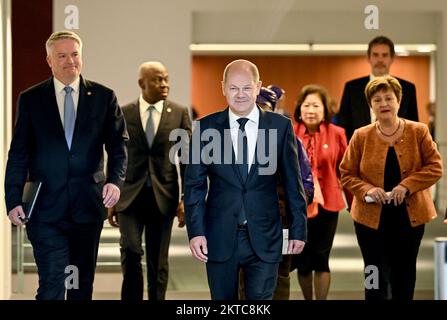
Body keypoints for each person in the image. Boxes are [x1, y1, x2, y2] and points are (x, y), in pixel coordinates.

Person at [4, 30, 128, 300]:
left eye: (74, 54)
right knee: (51, 284)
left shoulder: (104, 97)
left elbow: (119, 147)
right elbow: (19, 153)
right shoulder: (31, 99)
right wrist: (13, 199)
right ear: (49, 60)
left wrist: (115, 182)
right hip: (46, 209)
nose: (70, 61)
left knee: (81, 287)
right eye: (62, 55)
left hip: (88, 206)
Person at [184, 59, 307, 300]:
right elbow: (194, 186)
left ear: (258, 87)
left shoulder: (280, 127)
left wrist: (298, 229)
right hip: (219, 236)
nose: (240, 94)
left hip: (265, 235)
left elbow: (294, 183)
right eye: (233, 88)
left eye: (247, 88)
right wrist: (196, 231)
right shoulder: (205, 128)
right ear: (223, 88)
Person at [339, 76, 443, 300]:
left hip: (409, 216)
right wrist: (367, 189)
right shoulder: (361, 135)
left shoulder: (419, 131)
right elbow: (346, 174)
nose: (383, 104)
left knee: (404, 274)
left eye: (388, 98)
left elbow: (435, 168)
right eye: (377, 100)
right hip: (369, 220)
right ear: (371, 105)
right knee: (373, 272)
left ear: (398, 101)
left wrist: (406, 186)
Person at [108, 61, 192, 300]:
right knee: (132, 251)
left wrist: (186, 199)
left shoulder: (178, 113)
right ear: (141, 83)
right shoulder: (123, 113)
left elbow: (186, 161)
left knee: (158, 260)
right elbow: (115, 157)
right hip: (129, 198)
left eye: (166, 79)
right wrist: (111, 196)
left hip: (163, 198)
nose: (164, 84)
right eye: (157, 79)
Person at [238, 86, 314, 300]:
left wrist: (289, 208)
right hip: (244, 222)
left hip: (280, 222)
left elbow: (306, 184)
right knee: (245, 274)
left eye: (266, 108)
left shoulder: (289, 140)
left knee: (280, 275)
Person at [292, 84, 347, 300]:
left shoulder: (338, 133)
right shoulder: (289, 132)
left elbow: (347, 169)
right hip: (299, 205)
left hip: (328, 204)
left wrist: (356, 202)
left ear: (325, 109)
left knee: (321, 257)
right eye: (307, 105)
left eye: (316, 105)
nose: (311, 110)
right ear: (299, 109)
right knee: (303, 261)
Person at [338, 35, 419, 141]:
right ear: (368, 58)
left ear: (392, 58)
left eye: (384, 55)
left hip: (398, 151)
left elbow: (413, 126)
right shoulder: (352, 88)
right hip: (361, 151)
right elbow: (343, 125)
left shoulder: (407, 89)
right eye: (375, 55)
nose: (380, 60)